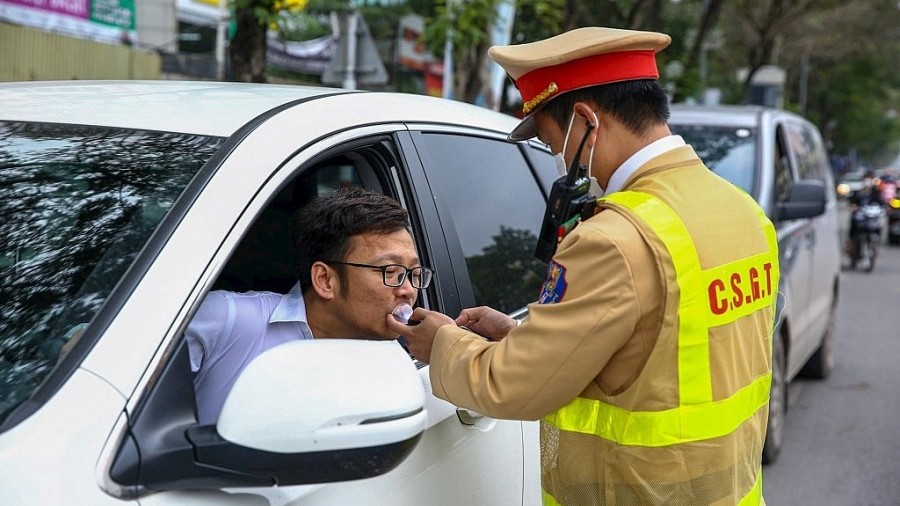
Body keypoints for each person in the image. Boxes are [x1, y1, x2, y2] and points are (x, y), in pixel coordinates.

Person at [387, 27, 780, 505]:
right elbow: (658, 355)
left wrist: (441, 343)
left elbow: (514, 386)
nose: (559, 158)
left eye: (554, 142)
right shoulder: (743, 213)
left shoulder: (614, 239)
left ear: (585, 120)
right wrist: (520, 338)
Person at [186, 186, 431, 425]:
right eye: (391, 271)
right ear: (325, 280)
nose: (408, 290)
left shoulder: (394, 362)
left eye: (415, 274)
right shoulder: (226, 319)